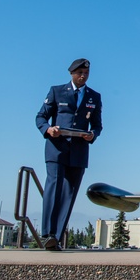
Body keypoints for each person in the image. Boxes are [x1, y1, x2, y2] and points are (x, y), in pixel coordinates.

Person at [35, 57, 103, 251]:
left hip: (79, 150)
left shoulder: (94, 97)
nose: (83, 76)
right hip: (57, 148)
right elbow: (40, 117)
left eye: (86, 74)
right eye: (80, 73)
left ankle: (55, 238)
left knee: (69, 194)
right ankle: (47, 232)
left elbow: (97, 125)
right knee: (54, 188)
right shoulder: (57, 91)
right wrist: (48, 129)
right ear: (72, 73)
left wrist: (93, 135)